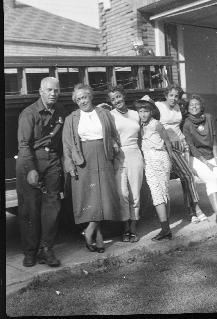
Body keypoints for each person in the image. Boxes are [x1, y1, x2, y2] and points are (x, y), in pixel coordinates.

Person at [62, 83, 120, 253]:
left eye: (84, 97)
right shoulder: (71, 118)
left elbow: (114, 134)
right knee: (90, 198)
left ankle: (91, 231)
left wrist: (115, 147)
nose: (82, 101)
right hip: (83, 159)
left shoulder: (104, 113)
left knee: (104, 196)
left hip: (103, 156)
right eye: (78, 99)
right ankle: (98, 236)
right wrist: (69, 164)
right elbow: (67, 145)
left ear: (90, 96)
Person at [16, 77, 67, 267]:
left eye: (56, 90)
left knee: (51, 208)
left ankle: (47, 250)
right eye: (49, 90)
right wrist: (30, 170)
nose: (53, 94)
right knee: (29, 209)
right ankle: (30, 252)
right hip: (31, 161)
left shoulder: (61, 111)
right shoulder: (29, 113)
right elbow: (23, 145)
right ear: (41, 92)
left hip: (53, 161)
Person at [183, 94, 217, 235]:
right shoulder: (187, 124)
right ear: (188, 108)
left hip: (211, 155)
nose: (194, 106)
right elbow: (192, 148)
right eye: (191, 105)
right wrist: (207, 163)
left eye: (196, 104)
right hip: (196, 158)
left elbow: (214, 139)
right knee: (212, 179)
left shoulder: (208, 117)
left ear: (201, 106)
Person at [155, 85, 207, 224]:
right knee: (188, 174)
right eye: (171, 95)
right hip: (169, 146)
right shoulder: (158, 105)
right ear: (166, 95)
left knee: (186, 179)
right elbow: (143, 105)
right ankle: (196, 208)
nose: (173, 98)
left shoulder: (178, 107)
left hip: (182, 143)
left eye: (176, 96)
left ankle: (191, 212)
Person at [107, 84, 144, 243]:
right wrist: (112, 142)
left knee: (135, 192)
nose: (116, 100)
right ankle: (125, 227)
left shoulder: (136, 114)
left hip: (135, 153)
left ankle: (133, 227)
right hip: (119, 155)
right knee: (122, 194)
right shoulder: (110, 115)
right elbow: (106, 134)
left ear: (124, 96)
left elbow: (142, 135)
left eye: (118, 97)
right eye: (113, 99)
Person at [134, 96, 173, 241]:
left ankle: (165, 228)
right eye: (140, 111)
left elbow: (168, 142)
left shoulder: (156, 124)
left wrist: (170, 161)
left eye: (146, 111)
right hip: (149, 159)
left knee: (159, 193)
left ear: (152, 112)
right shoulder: (140, 126)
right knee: (160, 192)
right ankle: (166, 227)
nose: (143, 114)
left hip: (159, 157)